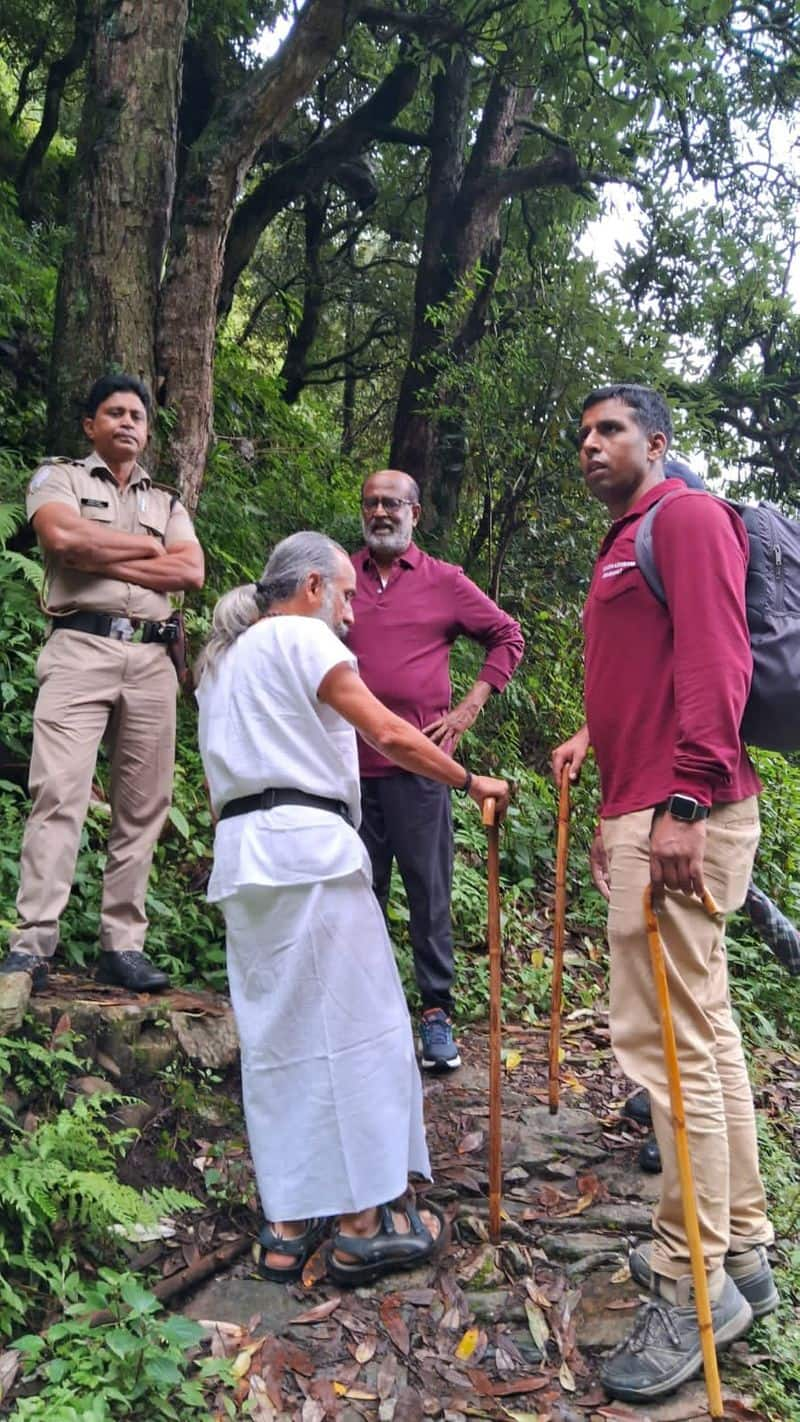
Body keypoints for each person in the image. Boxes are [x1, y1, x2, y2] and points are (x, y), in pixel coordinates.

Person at [195, 531, 509, 1284]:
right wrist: (471, 782)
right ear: (309, 587)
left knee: (281, 1043)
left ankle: (286, 1224)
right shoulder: (300, 639)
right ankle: (365, 1221)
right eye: (342, 596)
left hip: (247, 858)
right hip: (309, 853)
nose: (349, 615)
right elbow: (392, 732)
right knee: (361, 1032)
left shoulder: (221, 665)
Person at [551, 384, 776, 1405]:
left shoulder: (680, 517)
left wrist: (679, 802)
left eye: (610, 430)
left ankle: (690, 1285)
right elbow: (642, 675)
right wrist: (609, 779)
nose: (591, 444)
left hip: (676, 811)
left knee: (667, 1052)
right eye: (583, 433)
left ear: (656, 441)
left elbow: (716, 661)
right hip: (646, 805)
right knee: (705, 1034)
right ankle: (741, 1252)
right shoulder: (629, 535)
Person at [0, 374, 204, 1018]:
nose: (126, 423)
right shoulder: (58, 479)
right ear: (90, 424)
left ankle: (122, 944)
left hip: (151, 659)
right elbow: (60, 540)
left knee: (142, 807)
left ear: (147, 431)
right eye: (113, 413)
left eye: (137, 416)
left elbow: (190, 571)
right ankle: (34, 941)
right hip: (79, 649)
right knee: (58, 791)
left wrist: (105, 555)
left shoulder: (167, 500)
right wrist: (147, 551)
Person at [348, 469, 524, 1070]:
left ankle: (436, 1016)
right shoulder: (339, 579)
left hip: (422, 772)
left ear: (415, 513)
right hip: (346, 772)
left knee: (429, 895)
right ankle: (365, 1015)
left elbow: (507, 636)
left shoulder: (444, 582)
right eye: (372, 502)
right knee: (355, 896)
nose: (381, 512)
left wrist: (470, 707)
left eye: (393, 503)